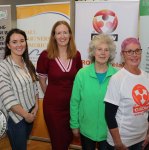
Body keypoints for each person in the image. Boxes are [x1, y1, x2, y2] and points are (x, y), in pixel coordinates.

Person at [36, 20, 82, 150]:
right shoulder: (46, 55)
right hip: (53, 108)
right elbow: (42, 81)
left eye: (65, 32)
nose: (62, 36)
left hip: (72, 107)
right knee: (58, 142)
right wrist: (52, 95)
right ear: (54, 36)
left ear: (70, 35)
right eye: (59, 33)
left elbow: (79, 81)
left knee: (68, 139)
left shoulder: (76, 55)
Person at [70, 33, 118, 150]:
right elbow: (75, 102)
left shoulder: (117, 76)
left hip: (109, 131)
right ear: (93, 52)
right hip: (86, 129)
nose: (103, 53)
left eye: (106, 50)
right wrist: (74, 125)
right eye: (99, 49)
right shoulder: (82, 74)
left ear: (110, 53)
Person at [104, 37, 149, 150]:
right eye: (129, 51)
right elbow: (109, 115)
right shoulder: (117, 79)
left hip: (141, 139)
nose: (134, 55)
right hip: (122, 142)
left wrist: (148, 134)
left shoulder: (147, 77)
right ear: (122, 55)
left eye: (137, 50)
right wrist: (118, 143)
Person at [0, 28, 39, 150]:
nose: (19, 45)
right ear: (8, 45)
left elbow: (35, 87)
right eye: (14, 42)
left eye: (22, 41)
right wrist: (25, 115)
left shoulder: (27, 63)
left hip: (30, 113)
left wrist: (36, 106)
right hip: (15, 118)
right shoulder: (3, 66)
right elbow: (7, 97)